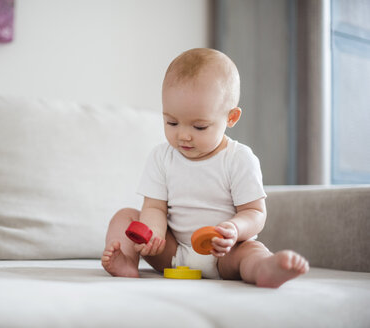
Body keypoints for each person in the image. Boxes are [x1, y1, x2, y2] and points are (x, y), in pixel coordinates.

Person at [101, 48, 309, 287]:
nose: (183, 136)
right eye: (172, 122)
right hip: (172, 253)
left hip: (223, 252)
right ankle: (127, 262)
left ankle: (264, 269)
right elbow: (154, 207)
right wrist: (154, 233)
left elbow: (255, 213)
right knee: (125, 216)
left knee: (251, 250)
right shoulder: (161, 157)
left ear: (231, 118)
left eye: (199, 127)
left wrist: (235, 229)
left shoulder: (239, 159)